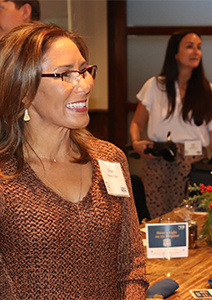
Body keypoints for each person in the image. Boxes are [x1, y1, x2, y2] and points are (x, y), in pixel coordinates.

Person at [0, 22, 148, 299]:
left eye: (83, 70)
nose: (85, 84)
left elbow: (132, 267)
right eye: (65, 74)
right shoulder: (5, 178)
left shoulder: (110, 159)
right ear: (24, 90)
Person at [130, 30, 212, 219]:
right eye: (189, 46)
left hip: (194, 166)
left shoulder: (210, 92)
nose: (196, 51)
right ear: (175, 53)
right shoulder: (154, 86)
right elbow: (137, 122)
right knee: (158, 219)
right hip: (159, 162)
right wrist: (137, 143)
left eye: (199, 47)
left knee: (192, 218)